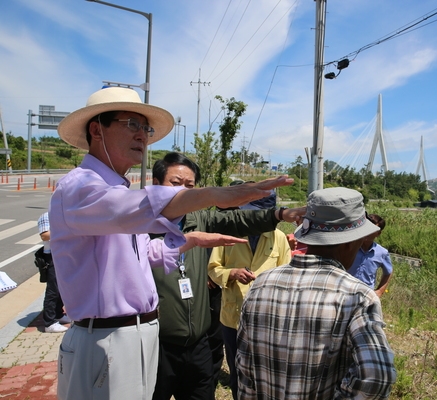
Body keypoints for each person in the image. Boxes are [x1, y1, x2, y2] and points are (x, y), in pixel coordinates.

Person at [49, 86, 293, 400]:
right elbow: (137, 210)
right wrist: (215, 194)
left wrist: (188, 241)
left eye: (145, 128)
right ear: (97, 129)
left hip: (133, 335)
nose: (142, 136)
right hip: (108, 339)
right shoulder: (81, 187)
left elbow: (138, 254)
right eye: (131, 125)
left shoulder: (115, 189)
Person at [151, 152, 305, 400]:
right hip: (155, 346)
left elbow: (236, 218)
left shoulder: (198, 219)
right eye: (175, 183)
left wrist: (278, 215)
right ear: (156, 185)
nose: (182, 191)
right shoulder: (138, 227)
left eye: (189, 186)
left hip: (198, 344)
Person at [237, 187, 397, 399]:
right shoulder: (357, 296)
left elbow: (245, 367)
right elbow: (376, 377)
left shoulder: (261, 284)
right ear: (350, 243)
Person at [208, 191, 291, 400]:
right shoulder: (229, 233)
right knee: (238, 373)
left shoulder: (278, 238)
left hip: (268, 319)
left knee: (267, 374)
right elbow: (213, 269)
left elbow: (288, 275)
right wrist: (231, 273)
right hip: (233, 318)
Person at [37, 212, 70, 333]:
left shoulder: (65, 215)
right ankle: (49, 323)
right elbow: (45, 235)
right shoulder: (46, 216)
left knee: (61, 288)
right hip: (52, 256)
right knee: (53, 290)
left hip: (65, 255)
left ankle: (58, 314)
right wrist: (67, 231)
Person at [347, 214, 393, 298]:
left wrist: (379, 291)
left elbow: (388, 272)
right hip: (345, 292)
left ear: (378, 233)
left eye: (372, 229)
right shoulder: (350, 246)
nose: (367, 231)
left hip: (366, 297)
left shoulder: (382, 253)